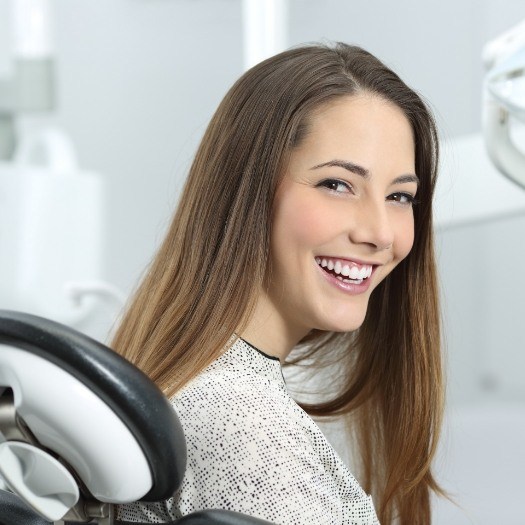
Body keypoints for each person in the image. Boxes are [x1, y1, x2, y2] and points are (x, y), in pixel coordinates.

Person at [114, 42, 444, 525]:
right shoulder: (242, 422)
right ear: (247, 192)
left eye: (399, 196)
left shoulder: (206, 390)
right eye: (337, 184)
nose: (378, 233)